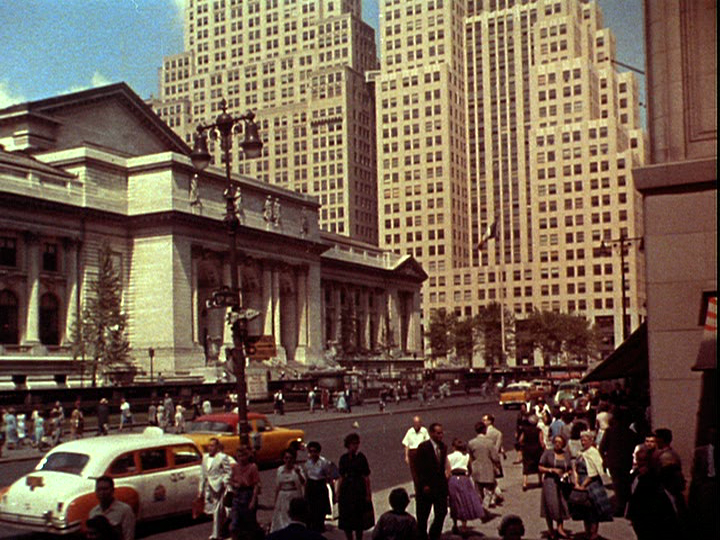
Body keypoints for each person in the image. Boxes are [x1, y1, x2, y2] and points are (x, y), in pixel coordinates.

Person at [571, 430, 613, 540]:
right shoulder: (581, 453)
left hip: (591, 483)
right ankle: (587, 532)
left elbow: (594, 472)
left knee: (593, 511)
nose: (583, 442)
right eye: (582, 440)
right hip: (580, 481)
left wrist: (583, 485)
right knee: (584, 510)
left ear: (591, 440)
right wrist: (576, 482)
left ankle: (593, 534)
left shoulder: (593, 453)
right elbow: (575, 468)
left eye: (585, 440)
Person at [414, 423, 449, 540]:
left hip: (440, 487)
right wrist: (424, 484)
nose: (441, 435)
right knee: (423, 516)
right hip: (426, 488)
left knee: (442, 512)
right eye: (438, 433)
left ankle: (434, 534)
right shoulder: (423, 447)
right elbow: (419, 468)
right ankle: (422, 536)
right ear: (431, 433)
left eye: (441, 433)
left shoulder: (443, 447)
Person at [598, 410, 636, 516]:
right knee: (626, 485)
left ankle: (621, 507)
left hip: (614, 462)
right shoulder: (630, 433)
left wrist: (605, 460)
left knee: (618, 485)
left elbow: (602, 448)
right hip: (626, 462)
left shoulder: (610, 432)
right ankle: (627, 507)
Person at [337, 432, 374, 540]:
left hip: (358, 489)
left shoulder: (361, 458)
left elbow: (366, 477)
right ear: (348, 445)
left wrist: (368, 493)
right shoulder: (343, 458)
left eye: (357, 443)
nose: (355, 446)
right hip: (347, 489)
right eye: (353, 444)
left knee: (359, 518)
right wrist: (338, 492)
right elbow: (341, 476)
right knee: (346, 517)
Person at [198, 437, 234, 540]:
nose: (210, 448)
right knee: (212, 511)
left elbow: (228, 472)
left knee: (217, 511)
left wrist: (224, 481)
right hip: (209, 488)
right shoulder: (205, 458)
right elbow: (203, 475)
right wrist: (200, 490)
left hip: (219, 487)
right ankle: (225, 526)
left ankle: (216, 534)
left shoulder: (222, 457)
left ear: (217, 447)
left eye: (212, 446)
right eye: (209, 446)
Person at [447, 438, 484, 534]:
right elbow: (470, 469)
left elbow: (448, 471)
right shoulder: (467, 456)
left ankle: (455, 523)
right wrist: (468, 475)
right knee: (464, 501)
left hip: (453, 479)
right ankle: (464, 525)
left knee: (454, 501)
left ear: (453, 447)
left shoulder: (449, 457)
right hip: (464, 478)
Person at [538, 435, 572, 539]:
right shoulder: (548, 453)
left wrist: (567, 473)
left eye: (560, 442)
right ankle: (551, 530)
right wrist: (551, 470)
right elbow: (540, 467)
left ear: (563, 444)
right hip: (550, 482)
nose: (557, 444)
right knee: (550, 504)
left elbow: (570, 468)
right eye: (556, 442)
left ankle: (560, 528)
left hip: (562, 483)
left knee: (561, 504)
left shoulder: (566, 454)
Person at [688, 426, 718, 538]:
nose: (713, 437)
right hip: (705, 484)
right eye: (712, 435)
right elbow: (695, 469)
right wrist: (700, 484)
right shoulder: (700, 451)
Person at [229, 446, 261, 540]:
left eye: (243, 456)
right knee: (234, 524)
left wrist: (253, 501)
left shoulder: (252, 467)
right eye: (239, 456)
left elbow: (256, 484)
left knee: (249, 524)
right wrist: (235, 485)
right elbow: (230, 480)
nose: (241, 459)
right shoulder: (235, 468)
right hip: (238, 496)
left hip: (248, 495)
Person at [88, 476, 135, 540]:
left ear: (112, 490)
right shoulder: (93, 512)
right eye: (99, 489)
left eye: (105, 489)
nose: (102, 493)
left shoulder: (125, 510)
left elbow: (128, 536)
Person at [303, 441, 336, 532]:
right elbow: (306, 477)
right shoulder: (307, 464)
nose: (313, 454)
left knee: (320, 509)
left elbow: (329, 478)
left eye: (315, 451)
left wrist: (333, 492)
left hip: (320, 486)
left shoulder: (324, 463)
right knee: (310, 509)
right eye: (311, 451)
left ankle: (320, 526)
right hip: (311, 487)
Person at [271, 449, 306, 532]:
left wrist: (298, 473)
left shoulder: (297, 469)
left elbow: (303, 482)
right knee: (282, 517)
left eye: (290, 458)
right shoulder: (280, 470)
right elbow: (277, 486)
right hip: (282, 496)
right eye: (286, 458)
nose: (288, 460)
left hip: (293, 495)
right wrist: (275, 501)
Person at [468, 421, 501, 509]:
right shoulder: (489, 442)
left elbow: (471, 457)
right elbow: (495, 457)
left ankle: (480, 506)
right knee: (490, 490)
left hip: (476, 469)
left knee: (479, 490)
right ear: (484, 430)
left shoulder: (471, 443)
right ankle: (484, 508)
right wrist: (497, 465)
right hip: (488, 469)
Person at [401, 416, 430, 494]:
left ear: (420, 423)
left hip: (422, 453)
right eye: (415, 423)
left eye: (418, 423)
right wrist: (406, 456)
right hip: (413, 453)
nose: (417, 425)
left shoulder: (424, 431)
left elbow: (428, 442)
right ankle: (417, 490)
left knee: (423, 471)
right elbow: (406, 444)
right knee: (414, 473)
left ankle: (423, 488)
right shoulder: (410, 431)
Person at [518, 414, 544, 490]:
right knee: (538, 464)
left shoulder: (525, 430)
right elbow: (541, 441)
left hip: (527, 449)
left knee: (526, 466)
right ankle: (540, 481)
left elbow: (520, 440)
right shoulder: (538, 430)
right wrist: (543, 447)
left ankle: (525, 483)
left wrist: (522, 446)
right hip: (537, 449)